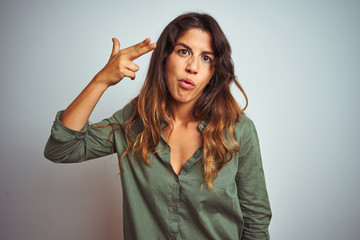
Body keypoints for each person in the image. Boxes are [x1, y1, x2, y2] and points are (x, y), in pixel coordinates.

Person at [44, 12, 272, 240]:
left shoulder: (238, 130)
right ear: (164, 57)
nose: (193, 67)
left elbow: (255, 220)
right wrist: (101, 80)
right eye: (184, 52)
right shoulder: (133, 121)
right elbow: (62, 149)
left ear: (214, 71)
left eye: (206, 58)